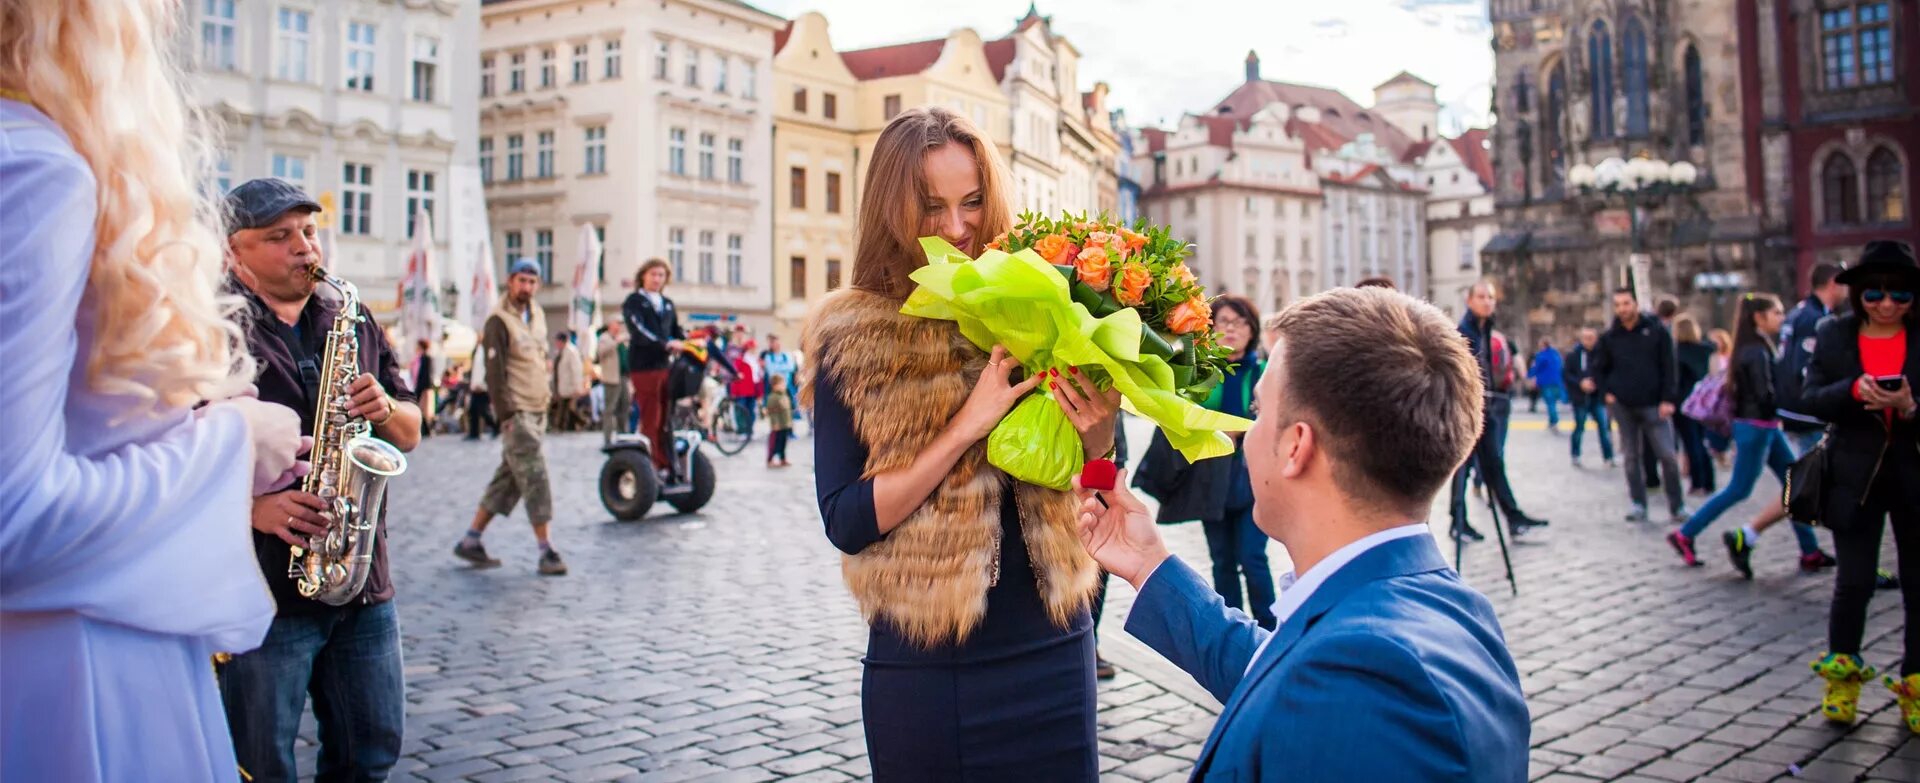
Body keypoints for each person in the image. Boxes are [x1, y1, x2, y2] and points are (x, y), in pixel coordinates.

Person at [0, 12, 309, 777]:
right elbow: (14, 515)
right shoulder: (33, 164)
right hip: (73, 678)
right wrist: (235, 446)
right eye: (282, 235)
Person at [1074, 287, 1531, 780]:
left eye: (1258, 411)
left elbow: (1316, 685)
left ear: (1296, 446)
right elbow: (1275, 669)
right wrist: (1150, 567)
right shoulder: (1449, 610)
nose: (1247, 434)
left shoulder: (1365, 678)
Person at [803, 106, 1116, 781]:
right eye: (931, 207)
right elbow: (847, 520)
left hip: (1055, 651)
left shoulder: (1033, 304)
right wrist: (964, 428)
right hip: (930, 668)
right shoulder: (852, 334)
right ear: (890, 208)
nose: (956, 226)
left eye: (972, 201)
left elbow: (1092, 490)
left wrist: (1101, 438)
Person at [217, 178, 423, 782]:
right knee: (260, 764)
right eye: (279, 237)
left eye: (308, 231)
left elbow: (410, 431)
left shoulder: (350, 314)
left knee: (372, 751)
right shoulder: (211, 329)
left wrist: (384, 408)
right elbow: (167, 445)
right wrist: (251, 506)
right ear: (233, 253)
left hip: (360, 577)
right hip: (265, 588)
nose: (305, 248)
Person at [1802, 241, 1920, 734]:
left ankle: (1915, 687)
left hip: (1914, 474)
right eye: (1874, 293)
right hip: (1854, 475)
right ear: (1857, 294)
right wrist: (1853, 391)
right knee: (1853, 583)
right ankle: (1842, 681)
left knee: (1919, 586)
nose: (1887, 304)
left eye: (1899, 294)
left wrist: (1912, 407)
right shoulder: (1833, 334)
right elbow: (1807, 398)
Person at [1136, 296, 1276, 628]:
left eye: (1239, 322)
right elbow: (1183, 414)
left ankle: (1270, 628)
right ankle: (1235, 629)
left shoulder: (1263, 371)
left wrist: (1241, 431)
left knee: (1253, 556)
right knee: (1222, 559)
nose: (1231, 329)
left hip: (1253, 476)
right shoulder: (1202, 372)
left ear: (1251, 329)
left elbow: (1275, 414)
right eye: (1223, 321)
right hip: (1211, 478)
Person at [1663, 294, 1826, 574]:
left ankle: (1810, 550)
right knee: (1740, 488)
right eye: (1776, 312)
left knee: (1796, 484)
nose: (1781, 317)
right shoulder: (1756, 351)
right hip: (1757, 427)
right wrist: (1793, 405)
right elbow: (1764, 396)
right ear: (1758, 317)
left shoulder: (1756, 346)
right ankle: (1685, 534)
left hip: (1765, 426)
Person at [456, 260, 568, 576]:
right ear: (510, 281)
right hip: (517, 411)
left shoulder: (538, 315)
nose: (527, 288)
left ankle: (471, 539)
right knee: (535, 476)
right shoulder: (499, 321)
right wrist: (505, 414)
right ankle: (546, 550)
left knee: (509, 478)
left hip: (537, 408)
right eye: (522, 281)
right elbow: (494, 372)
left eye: (533, 282)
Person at [1449, 281, 1550, 542]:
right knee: (1464, 467)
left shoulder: (1488, 329)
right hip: (1470, 410)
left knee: (1494, 465)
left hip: (1487, 409)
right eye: (1481, 297)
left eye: (1490, 297)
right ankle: (1458, 520)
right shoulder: (1464, 331)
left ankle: (1513, 516)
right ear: (1470, 301)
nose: (1487, 302)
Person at [1588, 287, 1688, 523]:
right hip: (1623, 405)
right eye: (1618, 304)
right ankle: (1638, 503)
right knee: (1631, 457)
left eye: (1626, 303)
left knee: (1668, 456)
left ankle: (1677, 505)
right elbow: (1598, 367)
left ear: (1635, 304)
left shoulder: (1656, 331)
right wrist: (1606, 393)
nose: (1623, 309)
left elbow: (1669, 366)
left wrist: (1667, 399)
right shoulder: (1610, 336)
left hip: (1654, 403)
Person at [1777, 263, 1849, 454]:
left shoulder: (1798, 312)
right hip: (1806, 412)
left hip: (1790, 405)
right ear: (1833, 283)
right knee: (1815, 475)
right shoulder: (1815, 319)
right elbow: (1805, 367)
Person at [623, 258, 686, 475]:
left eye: (661, 275)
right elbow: (639, 331)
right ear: (643, 276)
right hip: (644, 366)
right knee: (651, 415)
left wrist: (690, 342)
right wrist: (665, 344)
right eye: (653, 274)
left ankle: (665, 460)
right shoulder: (634, 301)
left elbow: (677, 331)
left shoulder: (667, 303)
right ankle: (650, 463)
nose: (657, 279)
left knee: (666, 417)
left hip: (664, 366)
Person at [1671, 315, 1717, 495]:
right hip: (1703, 401)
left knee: (1691, 443)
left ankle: (1697, 482)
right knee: (1702, 441)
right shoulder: (1705, 349)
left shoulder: (1677, 352)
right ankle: (1708, 481)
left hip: (1685, 402)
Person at [1564, 327, 1616, 467]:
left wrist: (1601, 386)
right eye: (1586, 338)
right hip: (1580, 397)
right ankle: (1576, 454)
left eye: (1591, 338)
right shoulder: (1573, 355)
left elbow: (1607, 372)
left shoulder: (1602, 354)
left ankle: (1608, 456)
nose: (1589, 341)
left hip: (1597, 396)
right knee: (1579, 426)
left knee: (1604, 427)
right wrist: (1580, 383)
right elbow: (1567, 374)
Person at [596, 320, 630, 443]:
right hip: (611, 378)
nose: (619, 327)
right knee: (610, 409)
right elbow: (601, 352)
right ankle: (607, 438)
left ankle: (623, 435)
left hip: (623, 377)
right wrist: (616, 342)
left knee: (624, 406)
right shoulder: (605, 338)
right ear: (611, 325)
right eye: (617, 324)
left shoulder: (621, 338)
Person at [550, 331, 586, 432]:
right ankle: (563, 426)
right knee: (564, 407)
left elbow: (576, 370)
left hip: (569, 385)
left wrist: (577, 386)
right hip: (561, 385)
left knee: (568, 408)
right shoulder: (560, 352)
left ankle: (579, 423)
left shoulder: (571, 352)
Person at [1529, 337, 1565, 431]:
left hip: (1546, 382)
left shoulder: (1542, 355)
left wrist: (1529, 376)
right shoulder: (1556, 354)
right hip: (1557, 381)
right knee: (1552, 402)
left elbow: (1536, 368)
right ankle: (1552, 420)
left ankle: (1554, 420)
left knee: (1550, 402)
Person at [761, 332, 800, 417]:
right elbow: (771, 371)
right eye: (772, 342)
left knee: (790, 409)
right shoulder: (768, 357)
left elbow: (791, 367)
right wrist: (784, 368)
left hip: (787, 387)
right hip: (774, 387)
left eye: (776, 341)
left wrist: (777, 367)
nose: (775, 344)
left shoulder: (786, 355)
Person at [465, 343, 499, 439]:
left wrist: (482, 384)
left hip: (482, 386)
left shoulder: (486, 349)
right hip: (476, 385)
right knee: (473, 410)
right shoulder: (477, 350)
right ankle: (474, 433)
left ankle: (496, 427)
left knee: (484, 410)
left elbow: (485, 369)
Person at [765, 373, 794, 467]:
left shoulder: (785, 395)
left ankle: (782, 459)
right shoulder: (772, 397)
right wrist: (775, 423)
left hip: (785, 424)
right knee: (774, 444)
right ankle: (770, 460)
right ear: (774, 386)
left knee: (783, 443)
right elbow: (772, 412)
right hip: (777, 426)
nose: (784, 386)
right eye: (781, 384)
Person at [413, 337, 438, 438]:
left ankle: (428, 430)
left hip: (425, 387)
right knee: (423, 409)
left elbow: (426, 375)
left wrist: (423, 388)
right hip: (424, 387)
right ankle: (426, 430)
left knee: (425, 410)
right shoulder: (421, 357)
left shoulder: (426, 357)